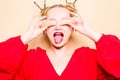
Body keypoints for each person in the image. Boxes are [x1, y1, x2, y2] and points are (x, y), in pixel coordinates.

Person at [0, 1, 120, 80]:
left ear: (72, 27)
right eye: (52, 22)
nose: (58, 26)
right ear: (45, 29)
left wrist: (90, 32)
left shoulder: (91, 58)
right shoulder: (29, 60)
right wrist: (27, 36)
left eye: (64, 22)